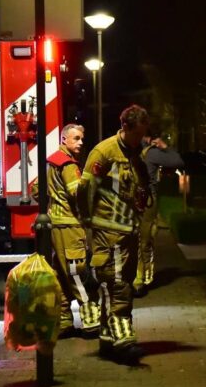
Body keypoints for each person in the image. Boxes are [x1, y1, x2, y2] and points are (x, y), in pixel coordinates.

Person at [78, 105, 152, 364]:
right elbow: (85, 187)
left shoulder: (134, 153)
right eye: (137, 134)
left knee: (122, 279)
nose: (140, 139)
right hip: (108, 230)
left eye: (143, 134)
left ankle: (108, 339)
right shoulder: (104, 152)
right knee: (117, 282)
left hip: (127, 229)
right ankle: (123, 339)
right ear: (125, 127)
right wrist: (87, 221)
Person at [47, 124, 100, 337]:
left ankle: (64, 320)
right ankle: (92, 320)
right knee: (78, 271)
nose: (80, 142)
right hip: (70, 226)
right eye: (76, 138)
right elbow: (77, 193)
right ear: (64, 140)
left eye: (81, 138)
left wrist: (53, 204)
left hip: (55, 226)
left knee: (60, 274)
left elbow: (36, 189)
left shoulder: (52, 162)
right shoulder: (68, 164)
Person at [134, 135, 184, 295]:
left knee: (133, 239)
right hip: (147, 201)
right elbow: (177, 161)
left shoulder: (124, 151)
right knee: (145, 238)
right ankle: (143, 278)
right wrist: (164, 147)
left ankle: (136, 278)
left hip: (128, 200)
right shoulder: (152, 153)